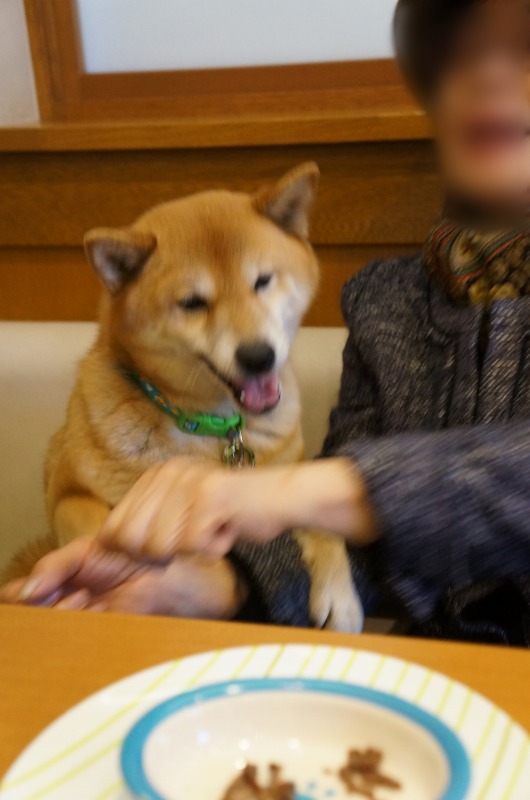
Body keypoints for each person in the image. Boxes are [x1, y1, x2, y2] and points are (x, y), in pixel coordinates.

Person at [3, 0, 530, 645]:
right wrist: (218, 587)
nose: (488, 75)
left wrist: (311, 491)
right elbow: (356, 551)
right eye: (460, 56)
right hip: (427, 665)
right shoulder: (387, 302)